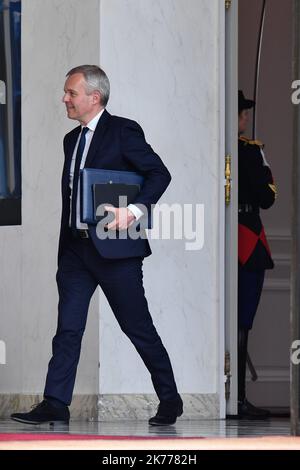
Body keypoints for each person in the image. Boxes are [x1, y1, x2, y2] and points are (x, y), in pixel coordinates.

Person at [11, 65, 183, 426]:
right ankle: (56, 402)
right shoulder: (70, 140)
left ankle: (170, 399)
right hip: (76, 250)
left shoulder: (123, 131)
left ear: (95, 96)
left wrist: (133, 211)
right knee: (68, 329)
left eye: (71, 93)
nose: (65, 99)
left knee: (138, 327)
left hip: (116, 251)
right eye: (66, 92)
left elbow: (159, 173)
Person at [237, 90, 277, 418]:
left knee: (241, 321)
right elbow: (267, 196)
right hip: (245, 237)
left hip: (240, 235)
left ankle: (235, 394)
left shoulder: (251, 150)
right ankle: (235, 397)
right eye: (242, 113)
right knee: (242, 318)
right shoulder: (251, 151)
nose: (246, 117)